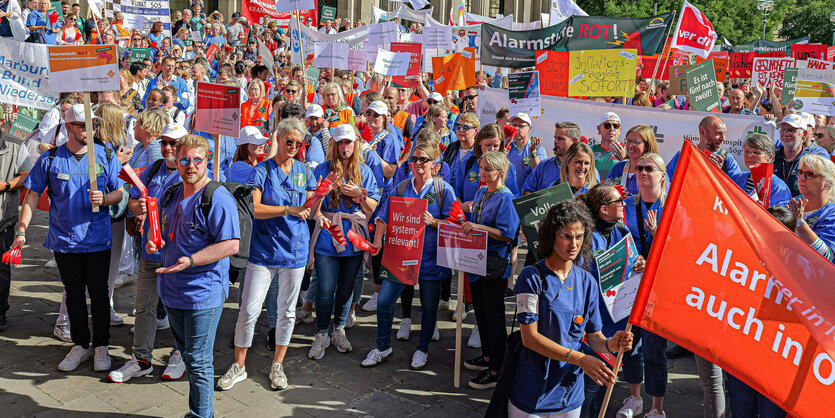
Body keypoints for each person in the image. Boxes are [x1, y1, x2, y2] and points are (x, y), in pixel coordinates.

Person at [15, 104, 124, 372]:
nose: (89, 129)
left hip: (97, 239)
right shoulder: (51, 159)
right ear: (68, 127)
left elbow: (121, 191)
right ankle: (80, 345)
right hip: (64, 241)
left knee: (99, 294)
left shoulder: (106, 155)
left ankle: (101, 346)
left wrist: (106, 198)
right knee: (73, 294)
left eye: (93, 125)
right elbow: (31, 195)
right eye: (81, 125)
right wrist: (21, 231)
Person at [218, 119, 320, 392]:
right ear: (279, 140)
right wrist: (287, 210)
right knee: (249, 309)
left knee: (287, 312)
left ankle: (278, 364)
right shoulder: (262, 170)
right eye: (289, 142)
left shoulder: (304, 170)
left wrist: (321, 194)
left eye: (299, 144)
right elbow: (256, 209)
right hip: (263, 251)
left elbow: (309, 208)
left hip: (294, 251)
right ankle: (239, 365)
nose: (294, 148)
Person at [510, 200, 633, 416]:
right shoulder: (531, 277)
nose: (573, 244)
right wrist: (580, 359)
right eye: (566, 236)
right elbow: (529, 338)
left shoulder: (587, 282)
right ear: (551, 236)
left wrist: (611, 344)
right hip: (532, 391)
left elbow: (594, 337)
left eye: (579, 236)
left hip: (569, 394)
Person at [146, 134, 240, 417]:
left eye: (196, 160)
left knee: (198, 361)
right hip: (171, 289)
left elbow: (231, 244)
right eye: (183, 159)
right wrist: (154, 241)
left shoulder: (217, 196)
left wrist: (191, 260)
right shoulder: (172, 192)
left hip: (202, 292)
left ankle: (202, 415)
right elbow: (161, 232)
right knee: (187, 354)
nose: (189, 165)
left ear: (206, 161)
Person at [364, 140, 456, 369]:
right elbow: (384, 215)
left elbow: (455, 224)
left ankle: (422, 348)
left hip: (431, 259)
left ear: (434, 164)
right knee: (384, 300)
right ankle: (383, 346)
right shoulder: (402, 187)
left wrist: (434, 221)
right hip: (401, 257)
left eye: (423, 159)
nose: (417, 163)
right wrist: (377, 243)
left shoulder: (443, 190)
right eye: (414, 159)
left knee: (428, 307)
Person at [109, 123, 189, 383]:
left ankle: (181, 354)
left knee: (179, 309)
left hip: (177, 256)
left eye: (173, 143)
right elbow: (132, 198)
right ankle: (141, 359)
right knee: (143, 308)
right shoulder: (154, 169)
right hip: (149, 254)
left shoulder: (191, 173)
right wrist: (138, 209)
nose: (167, 148)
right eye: (164, 142)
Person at [574, 184, 659, 417]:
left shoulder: (621, 229)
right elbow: (581, 277)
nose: (623, 204)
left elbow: (633, 257)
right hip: (594, 326)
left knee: (604, 387)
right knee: (589, 389)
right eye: (618, 201)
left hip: (619, 320)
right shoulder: (588, 238)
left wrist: (640, 262)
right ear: (603, 209)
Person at [308, 124, 379, 360]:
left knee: (347, 289)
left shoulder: (364, 171)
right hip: (328, 235)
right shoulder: (321, 169)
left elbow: (374, 209)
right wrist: (320, 193)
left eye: (348, 142)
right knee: (326, 288)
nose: (344, 147)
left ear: (355, 144)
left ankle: (338, 330)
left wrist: (360, 195)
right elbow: (311, 210)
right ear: (334, 145)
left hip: (354, 238)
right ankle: (320, 334)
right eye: (340, 142)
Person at [460, 151, 520, 389]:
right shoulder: (482, 191)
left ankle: (497, 368)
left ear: (500, 173)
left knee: (494, 317)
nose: (482, 173)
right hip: (477, 259)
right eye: (481, 168)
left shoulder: (505, 197)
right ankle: (487, 356)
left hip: (494, 262)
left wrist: (478, 226)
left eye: (487, 170)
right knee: (482, 313)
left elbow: (507, 234)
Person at [623, 152, 671, 418]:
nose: (642, 172)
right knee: (630, 345)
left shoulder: (673, 208)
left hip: (658, 290)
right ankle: (634, 398)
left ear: (662, 176)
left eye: (649, 168)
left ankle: (657, 408)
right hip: (631, 287)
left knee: (654, 350)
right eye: (639, 168)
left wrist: (656, 236)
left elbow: (679, 252)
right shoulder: (628, 206)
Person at [0, 130, 32, 331]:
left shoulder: (15, 145)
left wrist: (5, 185)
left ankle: (0, 311)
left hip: (3, 219)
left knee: (1, 270)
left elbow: (27, 176)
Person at [789, 154, 835, 262]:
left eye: (809, 174)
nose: (802, 178)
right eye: (800, 172)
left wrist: (800, 225)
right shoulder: (792, 203)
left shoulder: (831, 214)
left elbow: (828, 257)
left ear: (828, 184)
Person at [667, 115, 740, 180]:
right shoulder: (684, 155)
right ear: (703, 132)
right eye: (718, 133)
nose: (723, 138)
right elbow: (666, 183)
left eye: (724, 133)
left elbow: (737, 189)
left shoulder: (728, 159)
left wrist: (718, 173)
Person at [730, 133, 792, 207]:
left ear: (769, 157)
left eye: (756, 152)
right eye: (747, 151)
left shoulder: (779, 188)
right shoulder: (737, 178)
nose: (750, 156)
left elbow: (781, 216)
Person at [523, 122, 582, 194]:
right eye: (555, 138)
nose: (555, 142)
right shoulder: (543, 166)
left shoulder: (585, 169)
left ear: (574, 141)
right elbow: (527, 190)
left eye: (560, 139)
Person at [607, 125, 659, 199]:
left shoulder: (655, 171)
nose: (631, 145)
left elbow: (662, 201)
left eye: (636, 142)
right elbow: (605, 193)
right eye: (629, 141)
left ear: (647, 145)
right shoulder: (618, 167)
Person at [775, 114, 816, 197]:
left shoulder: (811, 163)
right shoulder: (770, 158)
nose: (786, 134)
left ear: (804, 134)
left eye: (791, 130)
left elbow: (813, 193)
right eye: (783, 130)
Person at [506, 112, 547, 193]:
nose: (516, 129)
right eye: (514, 125)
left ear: (530, 129)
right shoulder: (506, 146)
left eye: (521, 126)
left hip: (526, 197)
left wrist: (533, 152)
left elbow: (539, 173)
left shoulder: (538, 149)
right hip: (508, 196)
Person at [591, 112, 626, 178]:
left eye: (616, 126)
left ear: (620, 130)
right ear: (599, 129)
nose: (612, 129)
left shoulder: (628, 152)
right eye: (607, 126)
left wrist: (624, 160)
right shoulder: (590, 150)